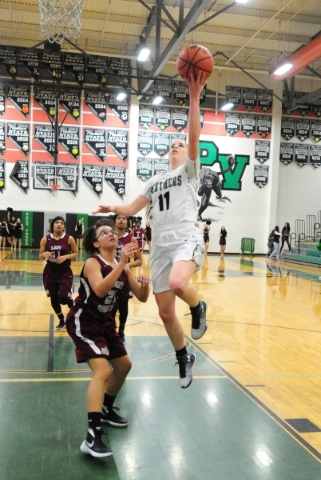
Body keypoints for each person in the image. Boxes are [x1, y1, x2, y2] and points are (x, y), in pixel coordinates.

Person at [93, 72, 208, 389]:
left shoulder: (190, 172)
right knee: (165, 312)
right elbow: (132, 209)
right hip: (160, 244)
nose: (176, 146)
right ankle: (184, 357)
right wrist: (112, 208)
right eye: (172, 144)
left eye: (180, 144)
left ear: (188, 154)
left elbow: (194, 136)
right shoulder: (155, 182)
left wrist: (195, 97)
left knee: (177, 281)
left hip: (186, 235)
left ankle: (199, 307)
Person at [66, 220, 149, 458]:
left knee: (124, 365)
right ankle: (92, 435)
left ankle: (105, 408)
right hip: (85, 321)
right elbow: (100, 290)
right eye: (104, 233)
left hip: (105, 323)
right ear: (95, 242)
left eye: (113, 232)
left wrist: (145, 285)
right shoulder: (93, 262)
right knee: (102, 371)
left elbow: (142, 297)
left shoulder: (122, 266)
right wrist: (122, 263)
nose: (111, 234)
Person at [39, 216, 78, 330]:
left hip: (64, 270)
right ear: (52, 225)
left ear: (64, 226)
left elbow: (76, 253)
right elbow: (40, 256)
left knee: (63, 298)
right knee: (54, 297)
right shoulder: (45, 239)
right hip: (50, 270)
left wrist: (66, 256)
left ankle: (73, 308)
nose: (59, 224)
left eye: (61, 223)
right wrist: (44, 254)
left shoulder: (69, 238)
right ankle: (61, 320)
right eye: (57, 222)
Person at [109, 214, 142, 343]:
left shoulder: (131, 239)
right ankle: (110, 329)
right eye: (118, 218)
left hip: (124, 277)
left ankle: (121, 331)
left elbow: (139, 260)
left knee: (123, 304)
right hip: (110, 275)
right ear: (114, 222)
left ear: (128, 222)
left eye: (124, 218)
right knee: (111, 305)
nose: (121, 220)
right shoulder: (109, 237)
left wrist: (127, 264)